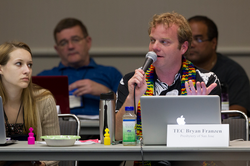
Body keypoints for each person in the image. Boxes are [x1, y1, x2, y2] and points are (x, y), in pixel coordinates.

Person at [115, 12, 221, 166]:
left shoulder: (206, 81)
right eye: (152, 40)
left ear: (183, 47)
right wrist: (133, 97)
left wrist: (197, 109)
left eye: (164, 42)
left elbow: (214, 140)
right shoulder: (131, 81)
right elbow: (118, 135)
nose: (154, 48)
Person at [38, 18, 123, 116]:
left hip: (100, 129)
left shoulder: (111, 73)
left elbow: (127, 110)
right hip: (57, 129)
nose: (70, 46)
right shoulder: (44, 77)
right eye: (63, 43)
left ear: (88, 42)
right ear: (57, 49)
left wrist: (106, 93)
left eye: (75, 40)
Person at [0, 42, 60, 166]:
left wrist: (42, 164)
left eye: (29, 65)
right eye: (19, 64)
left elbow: (55, 150)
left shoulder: (44, 99)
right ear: (1, 68)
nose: (27, 70)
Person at [186, 15, 250, 116]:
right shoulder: (175, 69)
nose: (192, 45)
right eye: (188, 39)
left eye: (198, 39)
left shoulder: (233, 72)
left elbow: (239, 111)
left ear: (213, 43)